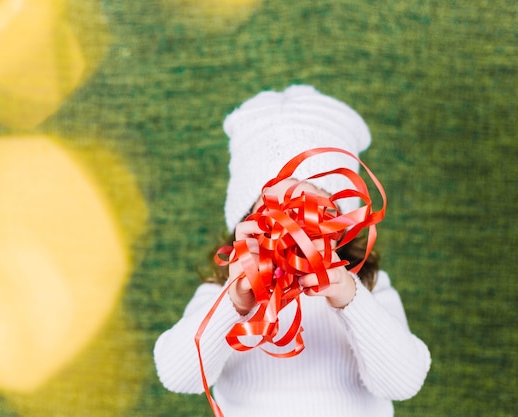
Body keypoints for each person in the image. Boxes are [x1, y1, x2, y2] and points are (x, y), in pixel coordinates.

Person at [154, 85, 431, 417]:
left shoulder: (368, 287)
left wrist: (349, 297)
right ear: (246, 220)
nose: (293, 230)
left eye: (312, 212)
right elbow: (178, 376)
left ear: (342, 224)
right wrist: (234, 301)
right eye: (274, 211)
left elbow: (403, 382)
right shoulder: (220, 294)